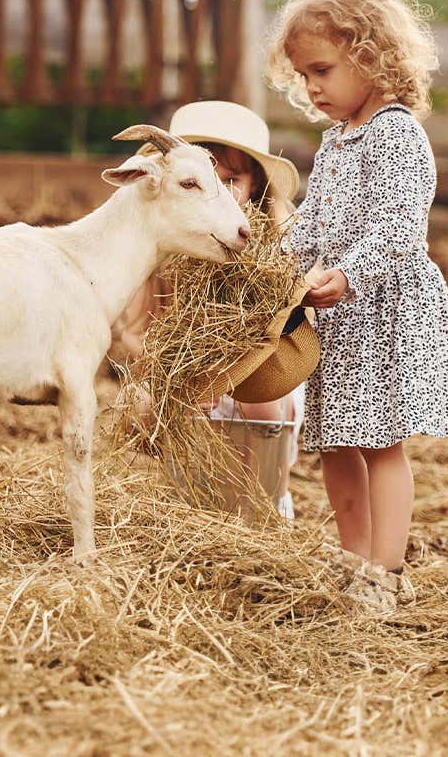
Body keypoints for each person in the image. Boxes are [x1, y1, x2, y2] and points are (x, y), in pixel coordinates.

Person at [267, 0, 448, 613]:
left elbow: (398, 225)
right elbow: (317, 218)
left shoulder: (395, 134)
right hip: (335, 317)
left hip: (382, 309)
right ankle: (352, 557)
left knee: (381, 441)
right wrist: (278, 256)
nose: (311, 87)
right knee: (336, 440)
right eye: (303, 74)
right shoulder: (336, 140)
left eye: (323, 69)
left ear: (369, 54)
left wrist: (351, 273)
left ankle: (385, 571)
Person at [112, 100, 307, 515]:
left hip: (260, 377)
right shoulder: (165, 245)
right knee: (140, 403)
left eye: (231, 179)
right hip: (186, 377)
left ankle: (262, 504)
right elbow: (140, 330)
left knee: (262, 405)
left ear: (255, 184)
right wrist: (172, 378)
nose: (219, 193)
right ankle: (182, 499)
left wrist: (223, 375)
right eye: (201, 181)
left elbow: (287, 340)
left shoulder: (273, 250)